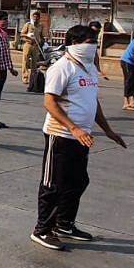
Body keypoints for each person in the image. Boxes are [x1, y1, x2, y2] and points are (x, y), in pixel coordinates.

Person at [31, 25, 126, 251]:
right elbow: (49, 102)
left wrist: (108, 130)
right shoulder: (62, 67)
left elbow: (94, 102)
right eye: (89, 41)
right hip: (61, 134)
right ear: (74, 43)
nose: (93, 45)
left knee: (78, 181)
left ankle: (64, 224)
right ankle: (42, 230)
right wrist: (73, 128)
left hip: (82, 136)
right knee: (53, 184)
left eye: (95, 40)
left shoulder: (90, 68)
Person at [20, 11, 46, 84]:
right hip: (28, 44)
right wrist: (27, 35)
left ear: (39, 18)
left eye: (37, 17)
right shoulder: (28, 25)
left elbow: (41, 36)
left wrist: (43, 41)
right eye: (34, 17)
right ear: (32, 17)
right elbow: (22, 34)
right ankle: (25, 77)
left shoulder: (40, 26)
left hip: (36, 45)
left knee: (34, 62)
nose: (36, 18)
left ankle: (33, 78)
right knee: (25, 61)